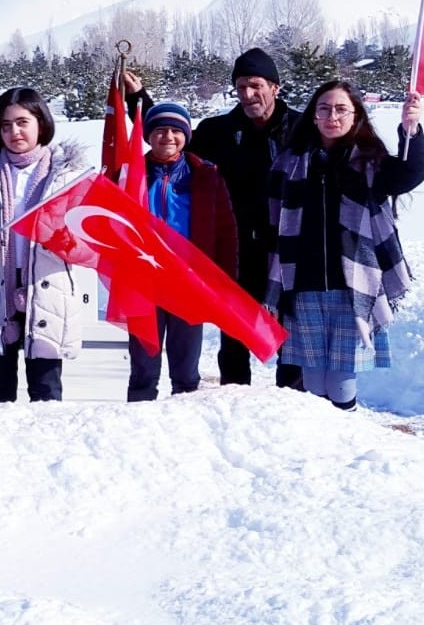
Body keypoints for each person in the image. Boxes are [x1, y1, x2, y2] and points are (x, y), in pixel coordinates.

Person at [266, 83, 424, 410]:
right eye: (324, 109)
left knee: (341, 381)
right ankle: (325, 448)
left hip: (353, 286)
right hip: (303, 285)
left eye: (341, 109)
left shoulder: (371, 161)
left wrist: (412, 128)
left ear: (355, 116)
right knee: (311, 381)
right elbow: (275, 221)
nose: (332, 116)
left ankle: (346, 440)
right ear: (313, 115)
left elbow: (412, 172)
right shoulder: (290, 162)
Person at [0, 87, 88, 403]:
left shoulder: (66, 174)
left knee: (46, 394)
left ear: (40, 123)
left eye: (22, 122)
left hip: (48, 294)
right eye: (5, 125)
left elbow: (87, 242)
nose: (14, 131)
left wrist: (67, 241)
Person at [186, 48, 303, 390]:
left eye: (255, 85)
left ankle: (293, 405)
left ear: (275, 87)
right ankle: (234, 404)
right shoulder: (218, 131)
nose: (248, 95)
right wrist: (140, 99)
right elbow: (173, 146)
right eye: (240, 88)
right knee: (234, 338)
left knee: (292, 339)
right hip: (237, 253)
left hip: (287, 252)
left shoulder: (301, 128)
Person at [126, 103, 237, 402]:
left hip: (188, 281)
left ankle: (183, 432)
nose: (168, 137)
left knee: (186, 369)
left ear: (187, 135)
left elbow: (226, 232)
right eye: (160, 130)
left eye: (176, 130)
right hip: (143, 282)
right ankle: (135, 428)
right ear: (149, 135)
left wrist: (225, 280)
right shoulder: (130, 173)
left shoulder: (206, 174)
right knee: (143, 368)